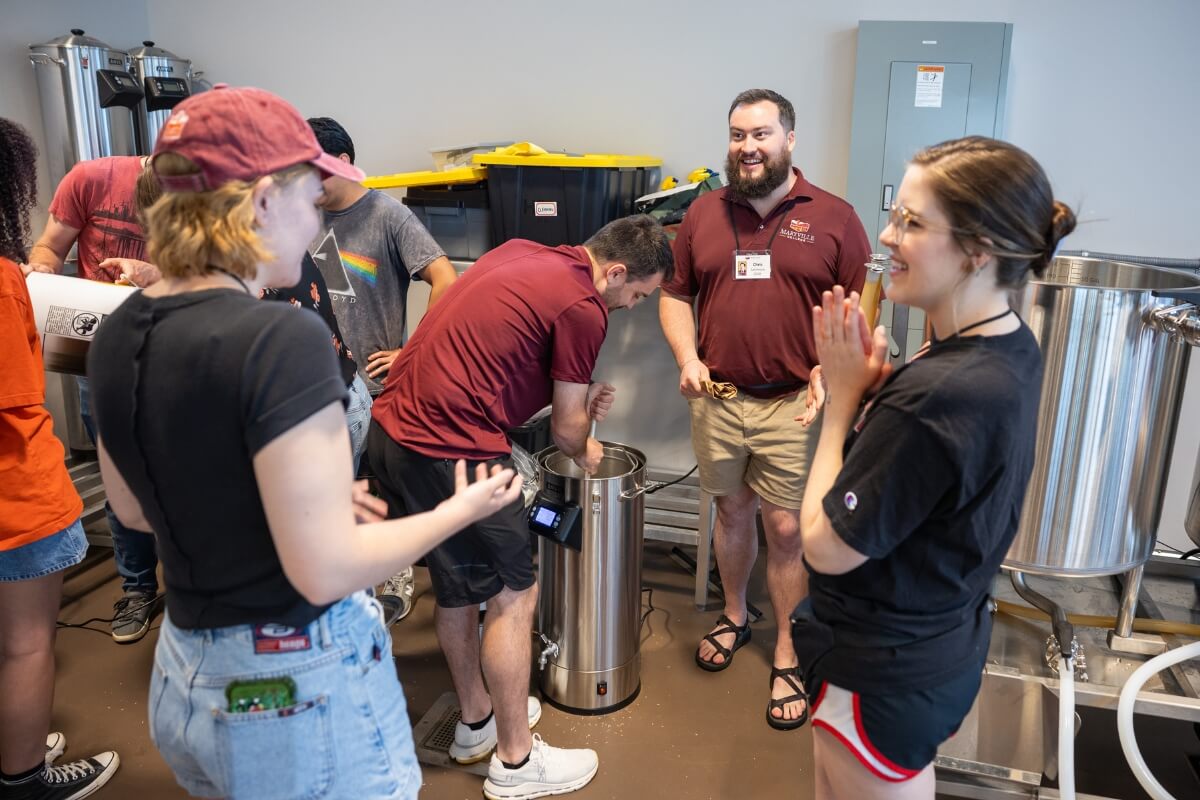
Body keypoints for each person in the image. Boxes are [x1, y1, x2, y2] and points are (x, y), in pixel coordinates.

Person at [86, 85, 522, 800]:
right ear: (258, 203)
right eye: (306, 192)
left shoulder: (120, 328)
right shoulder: (281, 337)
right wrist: (459, 512)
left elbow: (136, 511)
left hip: (188, 679)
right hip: (287, 689)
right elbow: (325, 573)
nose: (316, 209)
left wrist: (307, 502)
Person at [795, 136, 1075, 799]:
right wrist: (871, 391)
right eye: (897, 214)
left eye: (913, 224)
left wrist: (840, 408)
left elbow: (824, 550)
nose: (888, 235)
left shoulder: (940, 395)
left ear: (978, 252)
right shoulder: (1006, 343)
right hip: (940, 643)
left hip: (881, 673)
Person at [368, 214, 674, 799]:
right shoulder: (585, 307)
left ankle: (476, 723)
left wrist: (582, 401)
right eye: (637, 294)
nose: (633, 306)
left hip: (394, 437)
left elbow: (502, 361)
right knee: (514, 595)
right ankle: (516, 762)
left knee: (457, 586)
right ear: (613, 272)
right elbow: (564, 433)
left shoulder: (521, 253)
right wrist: (586, 443)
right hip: (452, 449)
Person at [658, 88, 871, 729]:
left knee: (784, 528)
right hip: (719, 398)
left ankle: (785, 644)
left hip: (795, 405)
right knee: (730, 514)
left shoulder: (834, 217)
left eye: (761, 134)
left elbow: (862, 302)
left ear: (789, 139)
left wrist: (831, 370)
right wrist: (687, 359)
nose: (747, 148)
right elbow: (674, 296)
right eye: (737, 135)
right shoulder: (702, 214)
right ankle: (733, 613)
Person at [0, 117, 120, 800]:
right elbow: (22, 387)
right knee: (25, 645)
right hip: (16, 495)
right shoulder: (4, 280)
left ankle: (14, 740)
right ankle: (24, 779)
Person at [24, 155, 162, 643]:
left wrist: (153, 272)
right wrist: (39, 275)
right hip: (101, 355)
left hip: (170, 351)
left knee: (180, 474)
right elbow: (49, 246)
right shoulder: (90, 179)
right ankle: (139, 589)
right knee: (119, 476)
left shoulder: (207, 186)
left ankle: (193, 588)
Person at [306, 116, 459, 397]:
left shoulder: (387, 215)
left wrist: (415, 351)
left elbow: (445, 278)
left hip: (374, 388)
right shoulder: (307, 216)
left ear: (343, 162)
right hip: (319, 383)